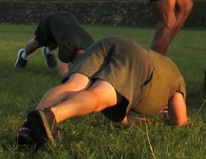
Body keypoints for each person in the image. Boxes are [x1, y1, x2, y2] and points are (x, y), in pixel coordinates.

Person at [17, 36, 188, 149]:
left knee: (74, 84)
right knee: (101, 95)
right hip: (139, 62)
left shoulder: (160, 70)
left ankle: (29, 127)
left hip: (111, 43)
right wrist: (167, 117)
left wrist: (138, 121)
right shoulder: (175, 80)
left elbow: (121, 117)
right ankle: (51, 116)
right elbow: (180, 122)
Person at [14, 10, 93, 76]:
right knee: (37, 43)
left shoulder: (93, 46)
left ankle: (47, 52)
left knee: (57, 40)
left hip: (69, 18)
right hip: (50, 20)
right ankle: (23, 56)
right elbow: (63, 71)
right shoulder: (67, 46)